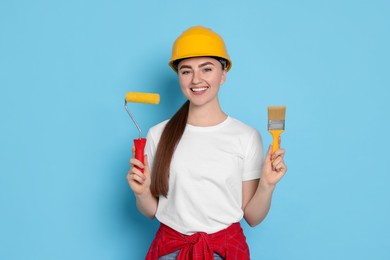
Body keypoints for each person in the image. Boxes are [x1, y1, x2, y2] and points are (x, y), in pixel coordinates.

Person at [127, 26, 287, 260]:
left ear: (223, 74)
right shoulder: (157, 135)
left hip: (225, 251)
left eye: (207, 69)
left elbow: (253, 217)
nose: (196, 79)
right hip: (170, 250)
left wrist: (267, 185)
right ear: (179, 76)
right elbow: (152, 211)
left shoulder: (246, 136)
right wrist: (141, 194)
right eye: (186, 71)